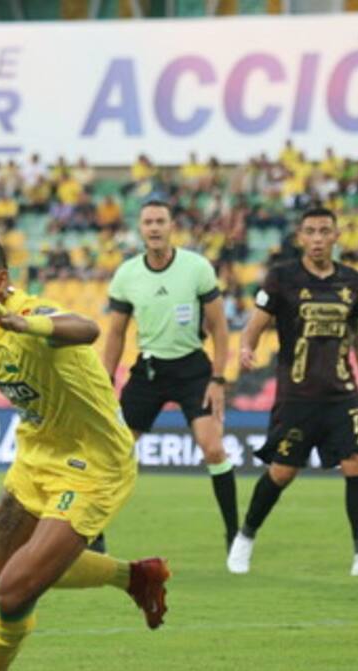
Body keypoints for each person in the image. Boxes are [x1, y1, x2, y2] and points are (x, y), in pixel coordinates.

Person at [0, 231, 170, 671]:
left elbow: (86, 328)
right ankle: (134, 577)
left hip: (94, 465)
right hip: (38, 452)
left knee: (12, 591)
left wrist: (28, 327)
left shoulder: (29, 315)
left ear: (0, 281)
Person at [227, 208, 358, 578]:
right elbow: (255, 324)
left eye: (324, 231)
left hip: (342, 393)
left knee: (356, 464)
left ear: (336, 236)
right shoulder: (282, 277)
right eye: (310, 232)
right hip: (297, 395)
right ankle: (245, 537)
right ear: (300, 238)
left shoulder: (352, 281)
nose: (317, 238)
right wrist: (246, 347)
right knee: (283, 472)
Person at [101, 199, 239, 552]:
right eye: (148, 222)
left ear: (172, 225)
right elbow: (115, 333)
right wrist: (106, 378)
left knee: (213, 449)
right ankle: (92, 532)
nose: (155, 228)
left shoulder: (196, 268)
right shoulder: (127, 274)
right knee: (113, 453)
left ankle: (235, 537)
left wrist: (218, 379)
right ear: (140, 228)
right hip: (149, 371)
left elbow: (221, 329)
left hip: (193, 369)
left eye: (161, 221)